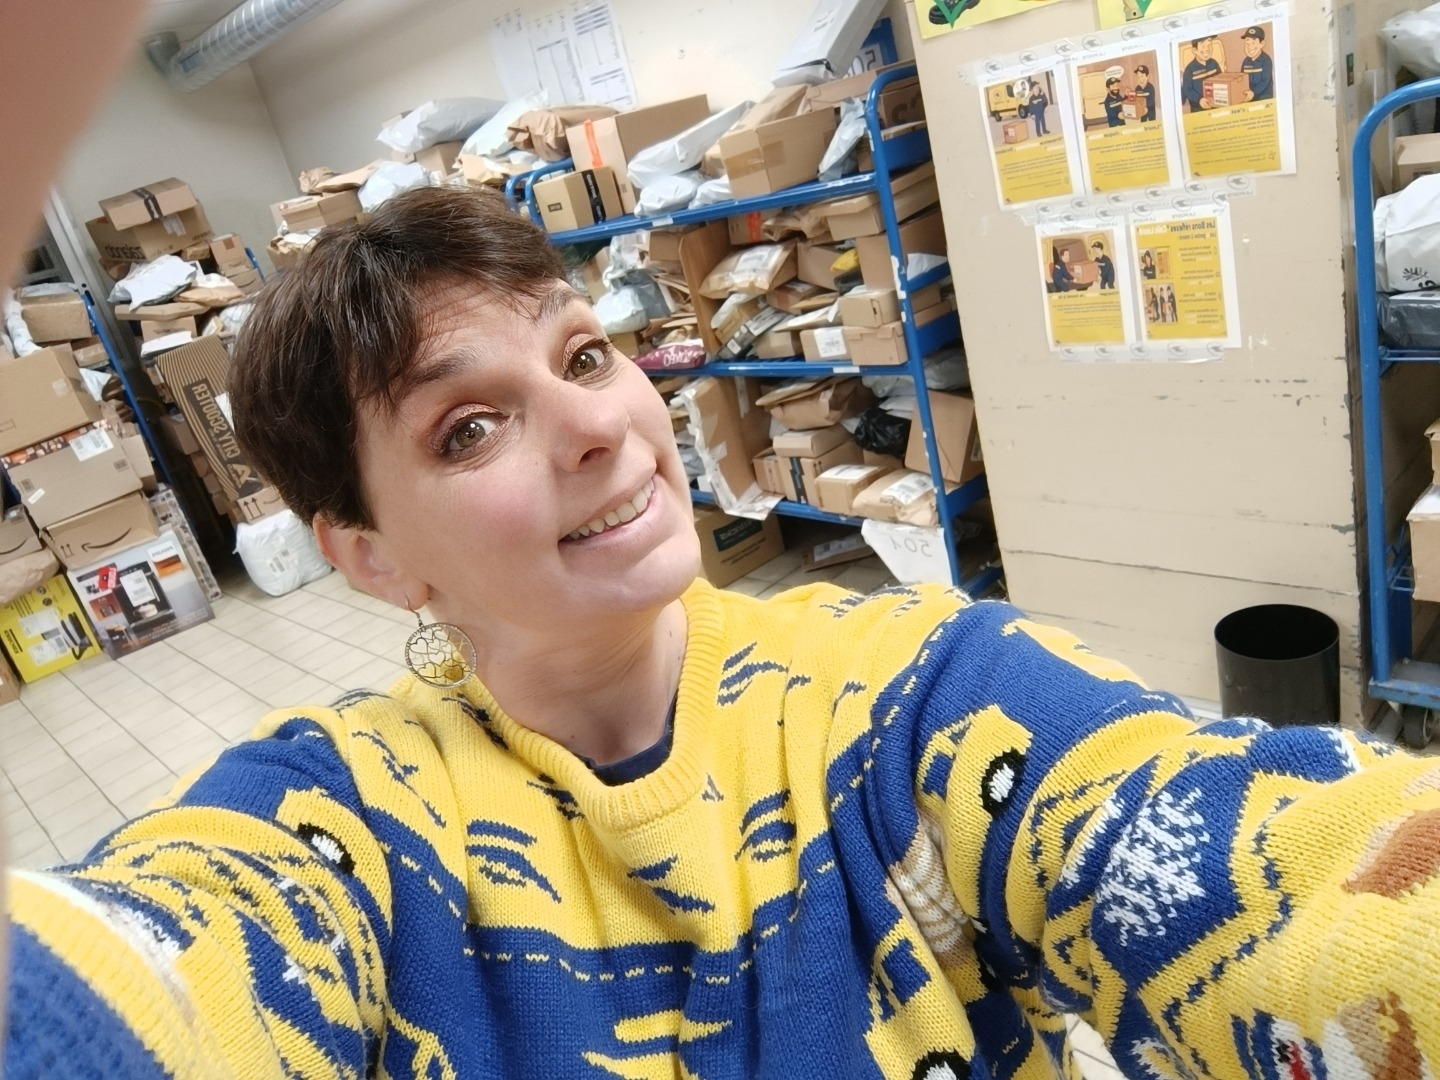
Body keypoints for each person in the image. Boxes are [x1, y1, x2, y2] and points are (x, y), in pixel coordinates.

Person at [7, 26, 1440, 1080]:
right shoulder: (351, 823)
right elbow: (155, 963)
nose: (599, 424)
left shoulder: (905, 694)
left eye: (584, 353)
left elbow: (1277, 874)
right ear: (370, 555)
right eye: (469, 428)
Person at [1182, 35, 1222, 113]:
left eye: (1209, 45)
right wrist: (1199, 99)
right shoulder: (1189, 69)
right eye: (1203, 46)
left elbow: (1221, 80)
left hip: (1216, 106)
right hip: (1198, 109)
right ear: (1195, 50)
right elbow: (1187, 90)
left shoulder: (1214, 63)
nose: (1206, 49)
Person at [1241, 25, 1275, 102]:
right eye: (1247, 43)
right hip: (1249, 96)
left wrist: (1253, 92)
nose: (1250, 47)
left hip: (1264, 96)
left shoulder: (1266, 60)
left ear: (1262, 44)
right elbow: (1242, 80)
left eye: (1253, 43)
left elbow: (1265, 81)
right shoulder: (1245, 62)